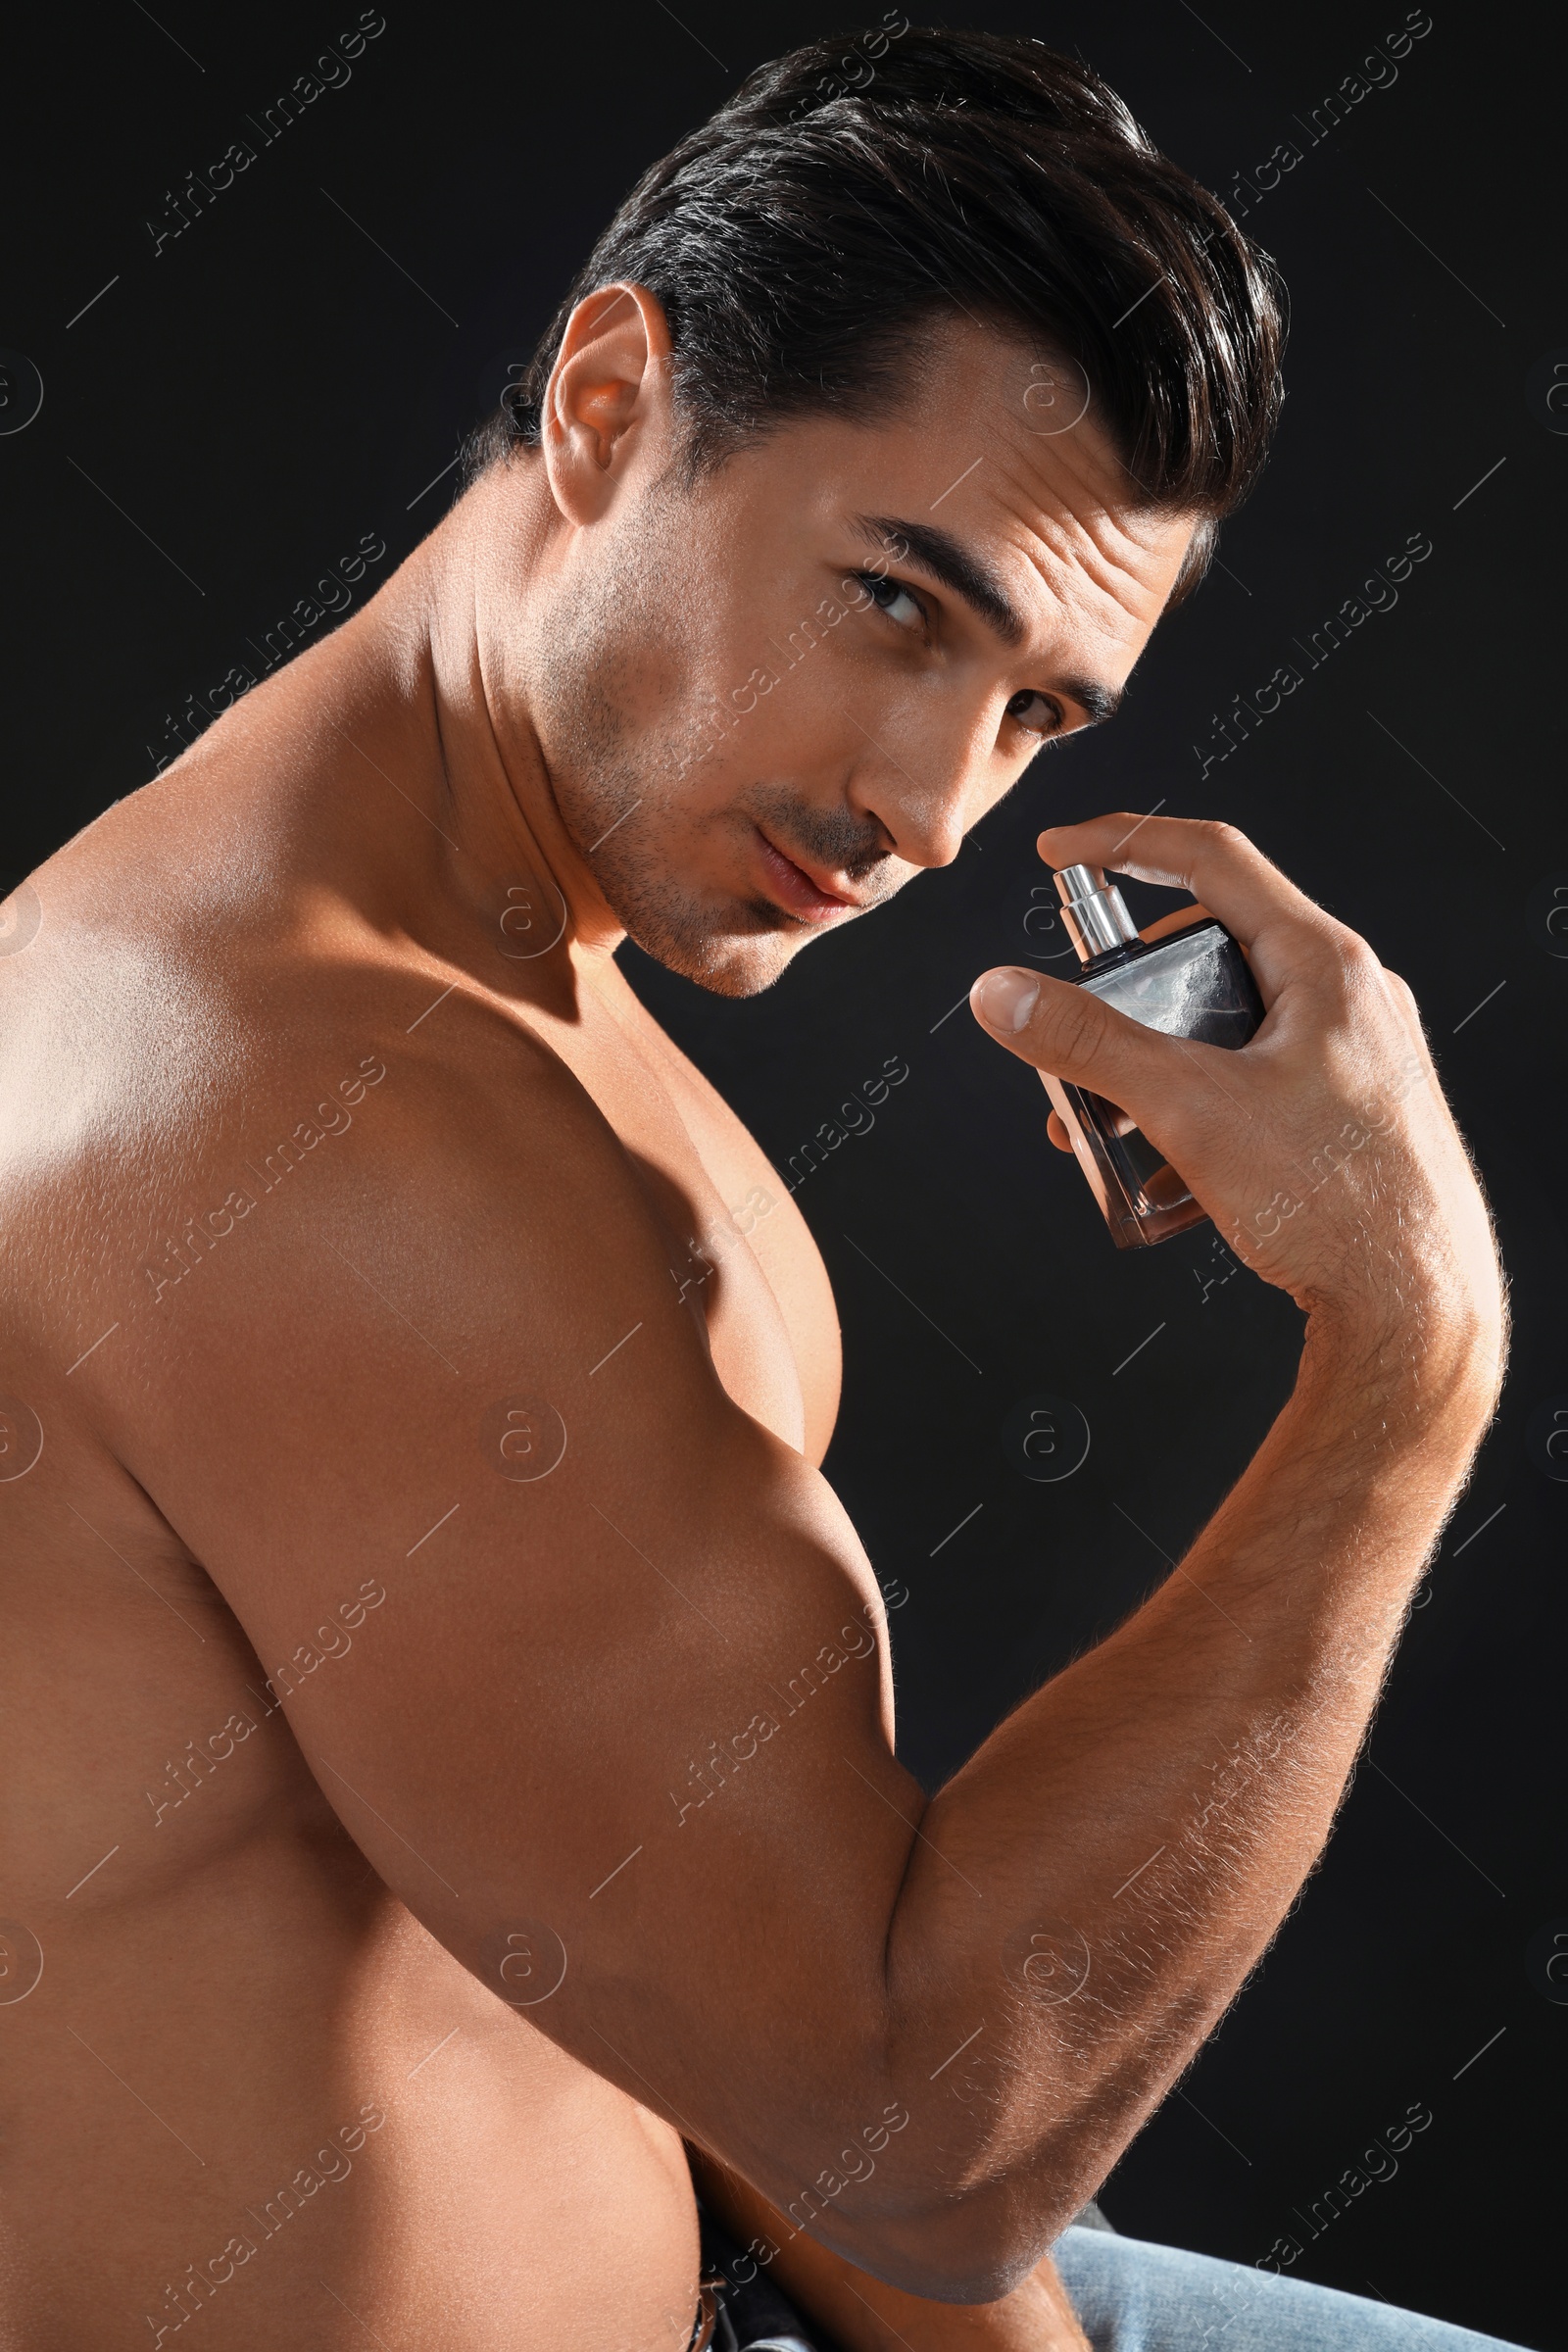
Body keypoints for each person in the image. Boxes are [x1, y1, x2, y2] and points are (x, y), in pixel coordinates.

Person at [0, 25, 1515, 2352]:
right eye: (896, 603)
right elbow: (917, 2144)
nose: (930, 806)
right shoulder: (325, 1126)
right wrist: (1405, 1368)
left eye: (1032, 714)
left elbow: (784, 2082)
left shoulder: (486, 994)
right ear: (608, 404)